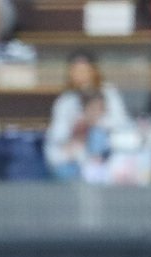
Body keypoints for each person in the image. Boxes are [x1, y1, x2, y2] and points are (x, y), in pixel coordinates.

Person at [44, 51, 135, 181]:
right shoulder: (65, 100)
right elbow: (57, 134)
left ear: (93, 70)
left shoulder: (108, 92)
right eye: (75, 70)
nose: (80, 74)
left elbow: (122, 123)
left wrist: (95, 122)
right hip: (72, 157)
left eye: (84, 70)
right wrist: (74, 133)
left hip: (106, 154)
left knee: (98, 135)